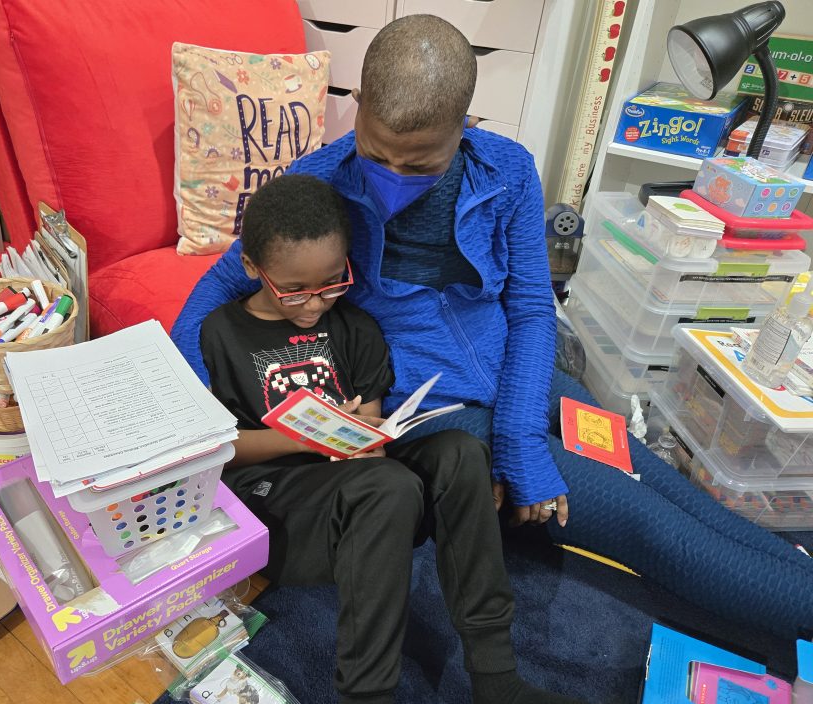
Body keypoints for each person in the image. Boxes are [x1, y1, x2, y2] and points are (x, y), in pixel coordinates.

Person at [174, 13, 813, 637]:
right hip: (425, 404)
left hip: (512, 365)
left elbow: (534, 307)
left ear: (466, 125)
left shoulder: (506, 170)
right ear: (360, 105)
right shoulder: (317, 181)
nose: (394, 177)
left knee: (650, 471)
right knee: (646, 525)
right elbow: (220, 284)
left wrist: (521, 442)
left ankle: (796, 573)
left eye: (419, 165)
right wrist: (188, 403)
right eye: (377, 156)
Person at [199, 174, 631, 704]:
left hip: (361, 490)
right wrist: (288, 437)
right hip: (278, 507)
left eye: (332, 283)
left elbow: (373, 437)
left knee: (457, 452)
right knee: (387, 485)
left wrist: (359, 431)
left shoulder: (354, 328)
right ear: (251, 267)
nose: (316, 301)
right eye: (294, 290)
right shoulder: (220, 334)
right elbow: (216, 446)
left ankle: (497, 684)